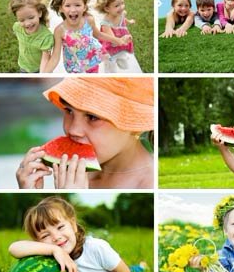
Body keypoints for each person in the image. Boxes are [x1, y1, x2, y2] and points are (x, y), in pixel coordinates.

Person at [16, 76, 154, 191]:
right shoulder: (75, 172)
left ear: (136, 125)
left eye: (93, 117)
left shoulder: (150, 185)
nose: (73, 130)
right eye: (69, 111)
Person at [8, 197, 146, 272]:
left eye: (60, 227)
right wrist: (54, 250)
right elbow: (13, 248)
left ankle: (142, 266)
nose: (56, 237)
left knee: (133, 271)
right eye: (45, 235)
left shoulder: (96, 248)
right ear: (38, 242)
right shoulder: (50, 253)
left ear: (73, 225)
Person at [47, 0, 120, 74]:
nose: (73, 10)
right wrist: (44, 73)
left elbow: (98, 35)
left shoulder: (89, 20)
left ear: (84, 7)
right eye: (67, 5)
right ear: (61, 8)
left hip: (91, 61)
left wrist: (117, 40)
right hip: (74, 67)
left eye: (77, 5)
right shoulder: (60, 30)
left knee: (92, 82)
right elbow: (55, 57)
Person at [8, 0, 55, 74]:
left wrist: (42, 76)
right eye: (22, 20)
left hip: (39, 70)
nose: (27, 23)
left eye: (31, 17)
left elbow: (45, 59)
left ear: (40, 13)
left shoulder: (46, 37)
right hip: (23, 66)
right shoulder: (17, 27)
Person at [95, 0, 140, 72]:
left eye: (122, 3)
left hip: (121, 43)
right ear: (107, 8)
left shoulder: (121, 13)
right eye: (117, 6)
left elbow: (123, 19)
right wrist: (122, 39)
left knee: (123, 59)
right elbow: (113, 40)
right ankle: (110, 74)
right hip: (110, 48)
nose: (121, 7)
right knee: (111, 67)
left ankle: (120, 57)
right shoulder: (105, 24)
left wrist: (129, 21)